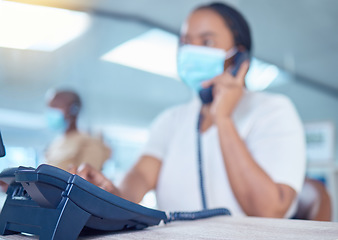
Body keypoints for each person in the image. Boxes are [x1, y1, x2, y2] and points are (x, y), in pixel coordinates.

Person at [72, 2, 305, 218]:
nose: (191, 51)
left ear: (239, 56)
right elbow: (141, 175)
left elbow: (269, 211)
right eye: (185, 42)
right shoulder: (171, 120)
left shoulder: (273, 110)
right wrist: (113, 192)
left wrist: (223, 119)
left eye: (206, 42)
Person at [45, 89, 111, 171]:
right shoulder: (57, 142)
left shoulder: (89, 142)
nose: (51, 112)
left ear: (73, 110)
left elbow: (87, 179)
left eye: (56, 106)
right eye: (50, 107)